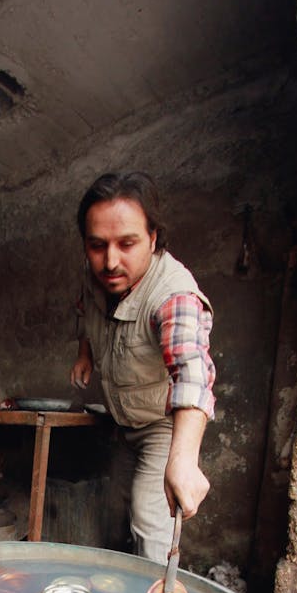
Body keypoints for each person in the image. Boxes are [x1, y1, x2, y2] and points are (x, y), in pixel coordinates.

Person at [70, 172, 215, 564]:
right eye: (97, 245)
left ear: (153, 238)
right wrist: (85, 353)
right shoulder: (93, 277)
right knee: (115, 518)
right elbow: (85, 311)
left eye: (127, 244)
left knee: (151, 525)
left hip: (160, 426)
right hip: (122, 424)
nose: (110, 261)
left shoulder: (173, 294)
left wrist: (183, 460)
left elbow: (193, 374)